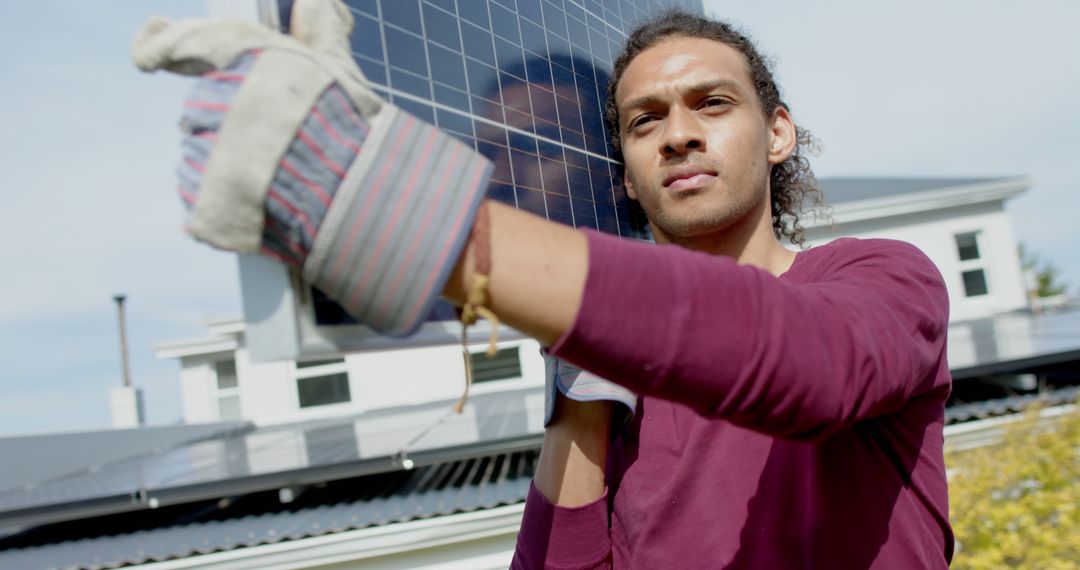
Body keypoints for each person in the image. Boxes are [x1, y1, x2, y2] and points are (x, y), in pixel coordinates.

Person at [135, 4, 952, 567]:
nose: (677, 135)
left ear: (777, 133)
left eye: (712, 103)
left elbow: (811, 364)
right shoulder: (605, 391)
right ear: (623, 177)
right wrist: (581, 399)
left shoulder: (880, 278)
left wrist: (395, 214)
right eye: (643, 122)